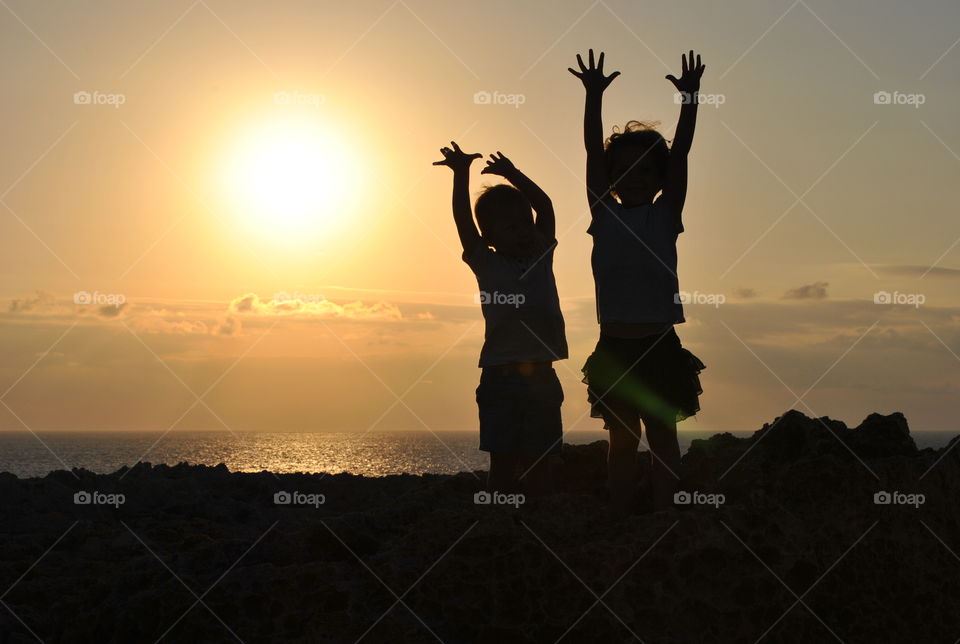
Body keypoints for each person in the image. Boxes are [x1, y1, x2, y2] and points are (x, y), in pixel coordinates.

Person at [569, 49, 707, 513]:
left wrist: (690, 100)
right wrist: (593, 96)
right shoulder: (603, 214)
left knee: (664, 439)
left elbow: (682, 151)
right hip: (614, 349)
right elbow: (591, 150)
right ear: (609, 178)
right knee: (622, 442)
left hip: (659, 346)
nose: (632, 177)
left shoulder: (666, 213)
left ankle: (666, 514)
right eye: (622, 170)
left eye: (644, 169)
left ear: (659, 177)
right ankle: (621, 514)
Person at [433, 142, 567, 495]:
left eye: (525, 223)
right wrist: (460, 175)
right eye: (510, 227)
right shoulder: (486, 263)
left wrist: (512, 174)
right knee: (503, 460)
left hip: (541, 374)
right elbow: (464, 220)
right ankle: (499, 518)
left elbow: (546, 206)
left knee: (541, 459)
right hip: (500, 378)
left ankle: (538, 519)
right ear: (489, 237)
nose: (523, 230)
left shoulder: (541, 253)